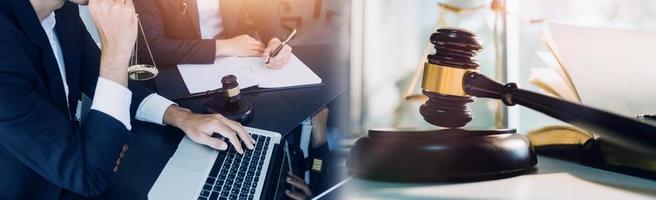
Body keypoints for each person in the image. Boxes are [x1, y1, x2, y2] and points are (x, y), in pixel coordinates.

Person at [0, 0, 255, 198]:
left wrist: (182, 117)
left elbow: (95, 75)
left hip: (80, 168)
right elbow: (88, 176)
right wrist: (116, 51)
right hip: (37, 188)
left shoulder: (63, 12)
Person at [134, 0, 293, 68]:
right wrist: (222, 46)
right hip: (180, 63)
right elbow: (150, 49)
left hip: (238, 57)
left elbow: (262, 6)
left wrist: (274, 39)